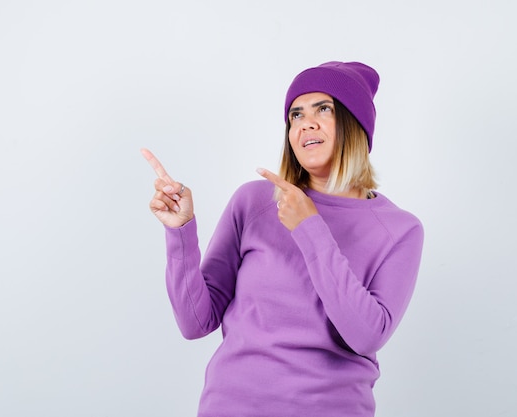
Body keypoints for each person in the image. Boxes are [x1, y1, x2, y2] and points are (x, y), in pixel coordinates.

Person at [141, 61, 424, 417]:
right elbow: (195, 322)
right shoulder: (254, 202)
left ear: (357, 125)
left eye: (325, 108)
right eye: (295, 114)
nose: (306, 122)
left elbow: (366, 336)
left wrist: (311, 228)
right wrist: (180, 231)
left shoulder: (399, 229)